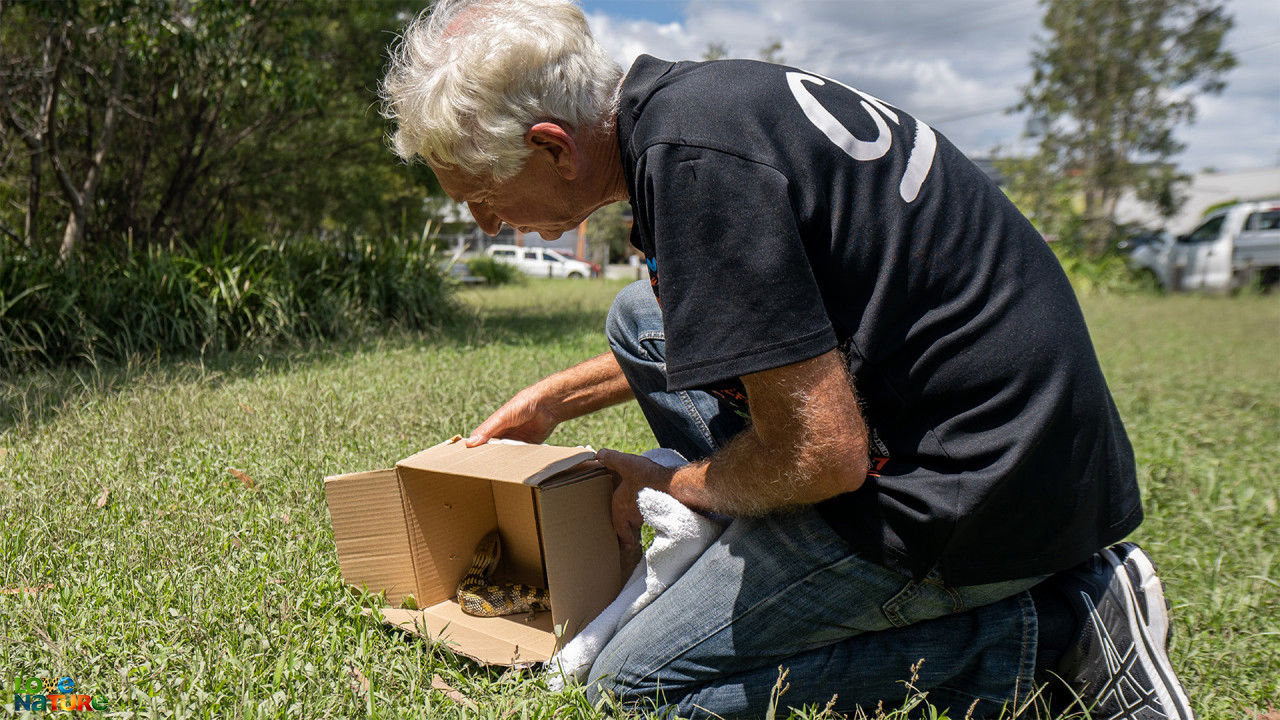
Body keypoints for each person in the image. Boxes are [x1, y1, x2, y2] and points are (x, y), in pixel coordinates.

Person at [380, 1, 1195, 717]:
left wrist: (675, 484)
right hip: (1021, 442)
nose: (488, 224)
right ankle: (759, 522)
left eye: (481, 194)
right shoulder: (693, 112)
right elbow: (735, 316)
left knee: (637, 688)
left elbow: (822, 456)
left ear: (552, 146)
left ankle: (1057, 631)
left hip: (975, 493)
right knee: (638, 317)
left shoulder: (696, 169)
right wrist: (557, 401)